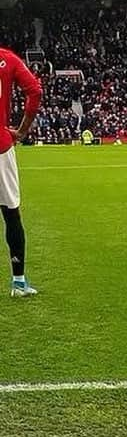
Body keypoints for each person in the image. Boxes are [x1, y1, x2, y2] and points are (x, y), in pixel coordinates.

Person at [0, 48, 43, 297]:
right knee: (10, 212)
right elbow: (35, 91)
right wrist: (23, 131)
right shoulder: (8, 58)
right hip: (1, 145)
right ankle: (18, 282)